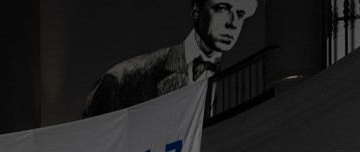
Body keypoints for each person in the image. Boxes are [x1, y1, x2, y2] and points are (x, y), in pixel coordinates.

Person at [84, 0, 259, 117]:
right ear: (196, 10)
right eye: (222, 8)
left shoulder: (235, 85)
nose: (233, 23)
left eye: (240, 14)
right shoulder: (120, 80)